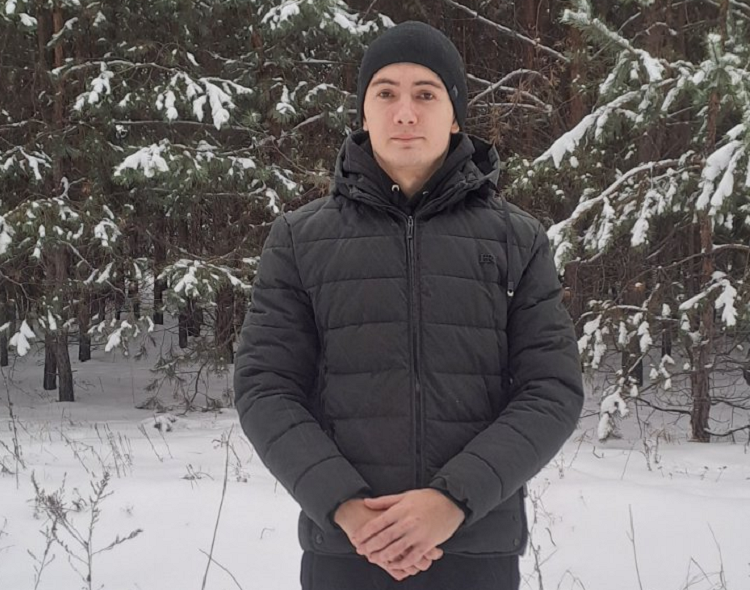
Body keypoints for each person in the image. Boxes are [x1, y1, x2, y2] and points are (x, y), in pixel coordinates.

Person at [234, 20, 584, 590]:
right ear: (364, 112)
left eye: (426, 94)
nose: (405, 113)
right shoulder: (299, 239)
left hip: (475, 550)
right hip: (347, 553)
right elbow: (265, 387)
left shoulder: (516, 240)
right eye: (386, 93)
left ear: (455, 115)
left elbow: (552, 390)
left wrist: (452, 502)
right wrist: (347, 509)